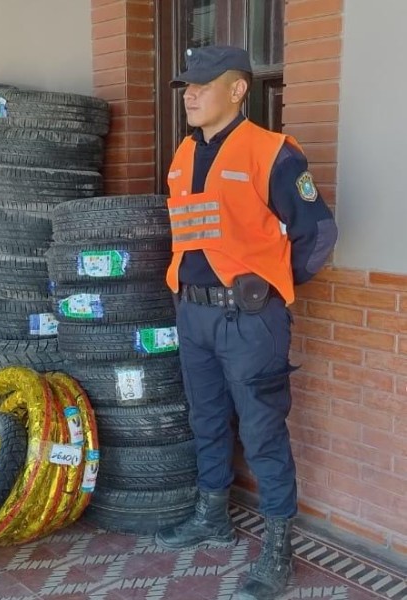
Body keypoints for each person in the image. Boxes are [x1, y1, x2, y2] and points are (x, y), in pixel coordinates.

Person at [154, 46, 338, 600]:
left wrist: (273, 290)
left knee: (261, 433)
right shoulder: (183, 155)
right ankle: (213, 515)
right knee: (206, 421)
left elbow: (318, 236)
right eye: (187, 85)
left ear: (238, 91)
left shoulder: (273, 153)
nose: (191, 94)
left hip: (250, 319)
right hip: (194, 313)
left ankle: (278, 548)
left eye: (204, 85)